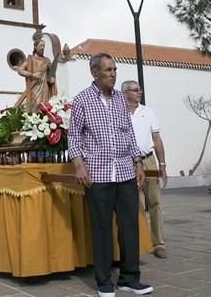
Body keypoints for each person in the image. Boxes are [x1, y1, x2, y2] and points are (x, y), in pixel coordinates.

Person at [68, 54, 152, 297]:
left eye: (115, 69)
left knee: (129, 226)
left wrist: (137, 162)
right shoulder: (82, 100)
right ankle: (104, 281)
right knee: (102, 228)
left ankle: (129, 278)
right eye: (108, 70)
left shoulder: (120, 100)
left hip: (125, 171)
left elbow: (128, 134)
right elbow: (73, 136)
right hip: (98, 174)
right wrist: (78, 164)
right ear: (95, 73)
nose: (113, 73)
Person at [122, 80, 168, 260]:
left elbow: (156, 139)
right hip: (128, 163)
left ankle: (159, 243)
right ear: (125, 93)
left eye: (139, 89)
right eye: (135, 90)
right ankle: (140, 243)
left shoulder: (148, 112)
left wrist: (162, 164)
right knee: (135, 205)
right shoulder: (119, 113)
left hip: (149, 161)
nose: (139, 92)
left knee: (155, 202)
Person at [13, 35, 57, 112]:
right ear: (35, 47)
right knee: (33, 109)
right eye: (41, 45)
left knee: (43, 109)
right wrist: (32, 75)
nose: (42, 47)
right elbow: (20, 70)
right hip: (34, 88)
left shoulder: (47, 61)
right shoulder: (30, 59)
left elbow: (49, 76)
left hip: (44, 90)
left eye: (44, 46)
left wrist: (51, 80)